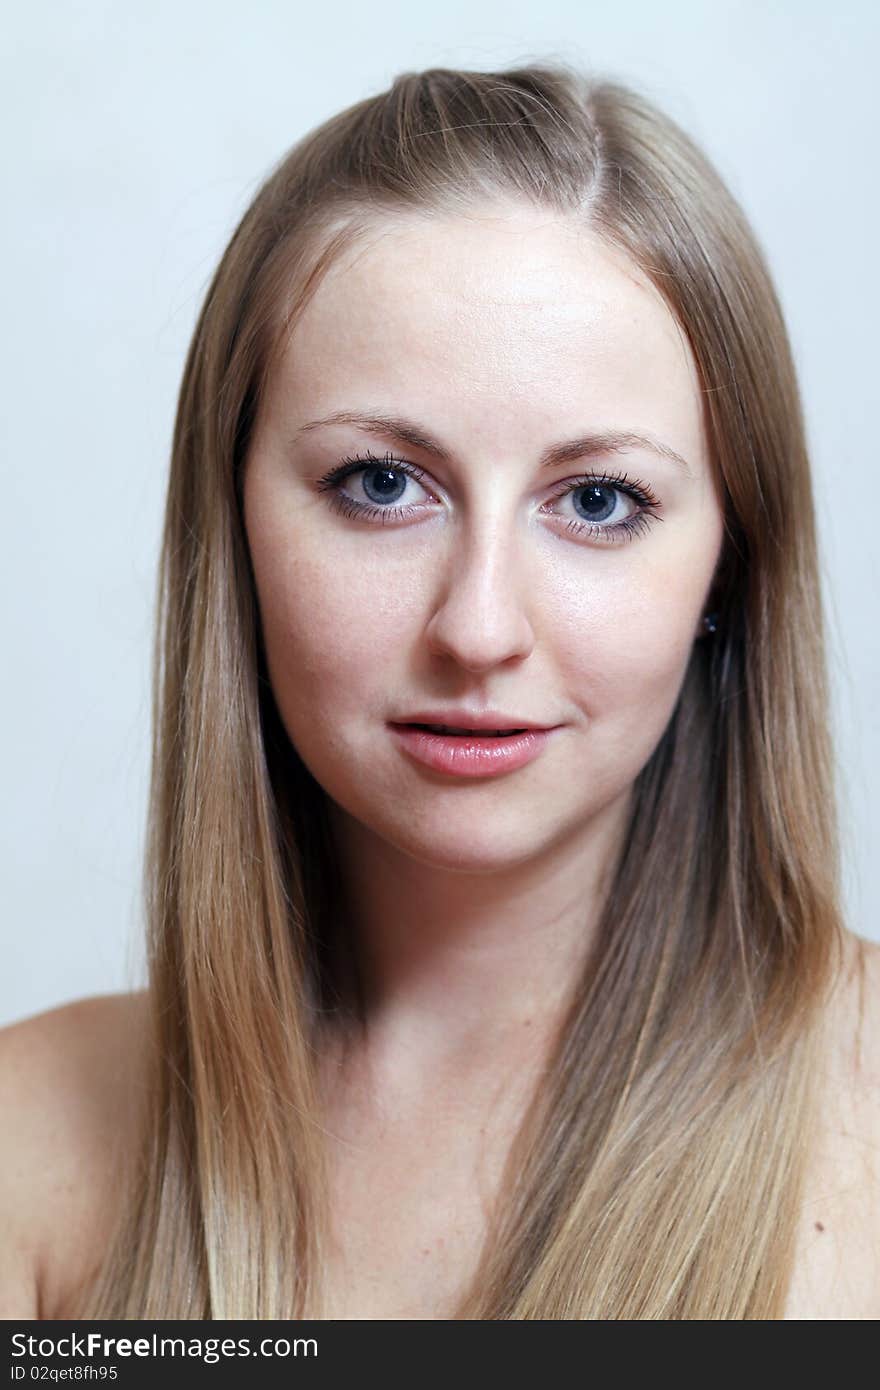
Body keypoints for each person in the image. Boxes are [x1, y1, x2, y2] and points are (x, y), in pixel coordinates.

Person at [1, 62, 877, 1322]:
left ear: (729, 560)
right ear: (232, 523)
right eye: (379, 484)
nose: (476, 627)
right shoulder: (26, 1144)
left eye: (596, 502)